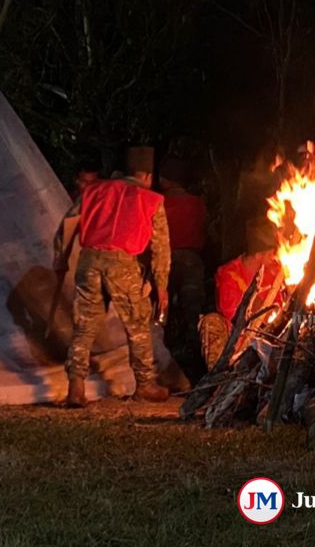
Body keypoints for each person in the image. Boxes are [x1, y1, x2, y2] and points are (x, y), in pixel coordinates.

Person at [54, 146, 172, 407]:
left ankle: (76, 386)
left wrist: (61, 259)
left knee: (84, 325)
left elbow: (69, 223)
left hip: (89, 260)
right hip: (123, 264)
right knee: (138, 326)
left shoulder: (94, 190)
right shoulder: (151, 199)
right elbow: (160, 248)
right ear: (147, 177)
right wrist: (161, 285)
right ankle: (144, 384)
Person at [199, 219, 285, 368]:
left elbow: (278, 311)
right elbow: (230, 312)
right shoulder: (228, 273)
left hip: (266, 336)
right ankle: (219, 379)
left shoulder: (275, 272)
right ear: (258, 255)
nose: (274, 258)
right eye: (271, 254)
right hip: (236, 339)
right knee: (211, 321)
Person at [157, 155, 208, 377]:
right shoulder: (197, 203)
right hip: (191, 259)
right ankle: (198, 364)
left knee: (161, 311)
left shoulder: (157, 202)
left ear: (165, 180)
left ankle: (163, 359)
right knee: (192, 313)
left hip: (163, 260)